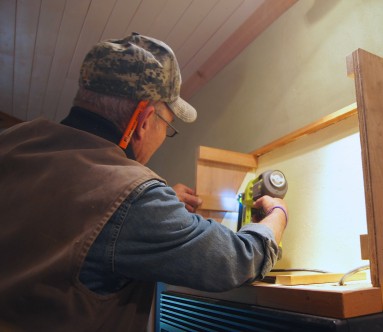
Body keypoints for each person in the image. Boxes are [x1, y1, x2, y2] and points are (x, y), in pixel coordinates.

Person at [0, 32, 288, 331]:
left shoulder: (12, 142)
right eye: (167, 125)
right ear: (144, 119)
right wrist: (277, 215)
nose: (163, 135)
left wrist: (156, 208)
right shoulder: (134, 194)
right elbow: (238, 260)